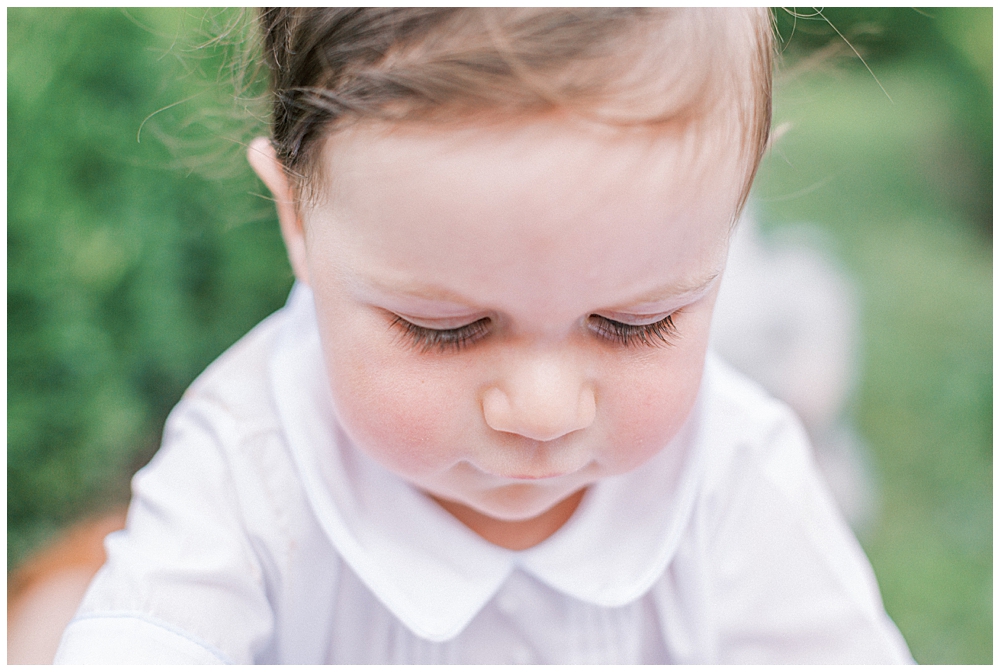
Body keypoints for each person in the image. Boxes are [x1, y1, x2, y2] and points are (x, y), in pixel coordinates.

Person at [54, 8, 913, 664]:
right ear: (299, 225)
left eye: (632, 323)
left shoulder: (733, 475)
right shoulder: (252, 464)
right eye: (447, 329)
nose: (541, 411)